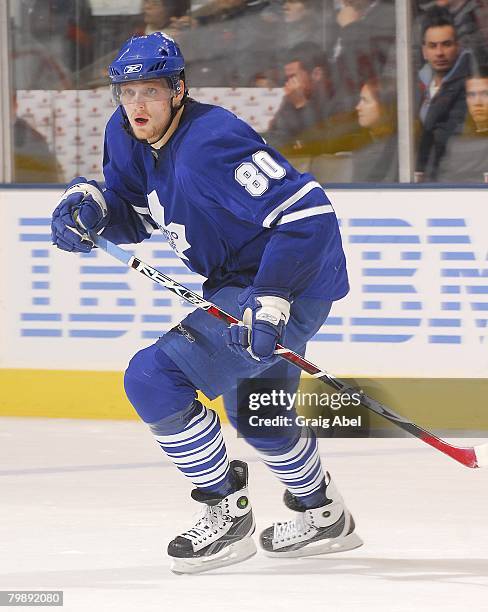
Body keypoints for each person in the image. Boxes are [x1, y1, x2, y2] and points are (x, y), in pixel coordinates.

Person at [50, 32, 362, 574]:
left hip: (284, 280)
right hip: (238, 281)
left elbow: (307, 215)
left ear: (178, 90)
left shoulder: (211, 141)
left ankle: (227, 511)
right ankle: (323, 514)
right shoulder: (124, 135)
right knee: (259, 414)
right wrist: (93, 206)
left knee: (152, 378)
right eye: (125, 92)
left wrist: (270, 302)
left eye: (150, 90)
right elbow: (136, 210)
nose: (136, 104)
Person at [415, 7, 471, 181]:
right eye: (433, 46)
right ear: (424, 51)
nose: (439, 53)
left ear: (458, 46)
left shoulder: (468, 89)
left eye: (446, 44)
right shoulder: (414, 85)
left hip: (453, 181)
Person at [437, 61, 488, 181]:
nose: (478, 102)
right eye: (471, 95)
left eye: (485, 94)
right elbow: (443, 181)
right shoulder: (454, 141)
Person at [352, 77, 398, 182]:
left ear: (384, 107)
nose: (358, 107)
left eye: (365, 101)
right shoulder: (364, 142)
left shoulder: (394, 150)